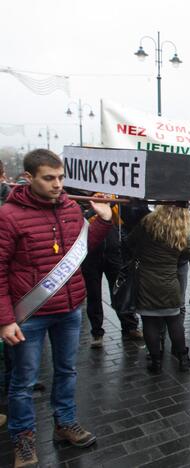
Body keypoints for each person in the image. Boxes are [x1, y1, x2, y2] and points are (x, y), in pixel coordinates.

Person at [0, 149, 113, 467]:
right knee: (23, 382)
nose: (58, 184)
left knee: (67, 371)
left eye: (61, 178)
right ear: (28, 178)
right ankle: (23, 440)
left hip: (69, 309)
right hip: (30, 314)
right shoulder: (9, 215)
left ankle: (65, 423)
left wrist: (103, 220)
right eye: (49, 178)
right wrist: (6, 319)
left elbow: (83, 248)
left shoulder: (69, 207)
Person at [128, 204, 190, 374]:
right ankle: (183, 360)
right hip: (169, 282)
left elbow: (129, 242)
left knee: (149, 322)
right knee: (174, 321)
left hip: (146, 282)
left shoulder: (147, 223)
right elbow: (188, 254)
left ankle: (156, 362)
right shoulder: (181, 229)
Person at [82, 197, 142, 348]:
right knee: (93, 295)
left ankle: (130, 326)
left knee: (120, 291)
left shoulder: (116, 197)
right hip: (90, 255)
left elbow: (127, 218)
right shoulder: (82, 196)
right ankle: (97, 332)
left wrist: (114, 203)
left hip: (113, 252)